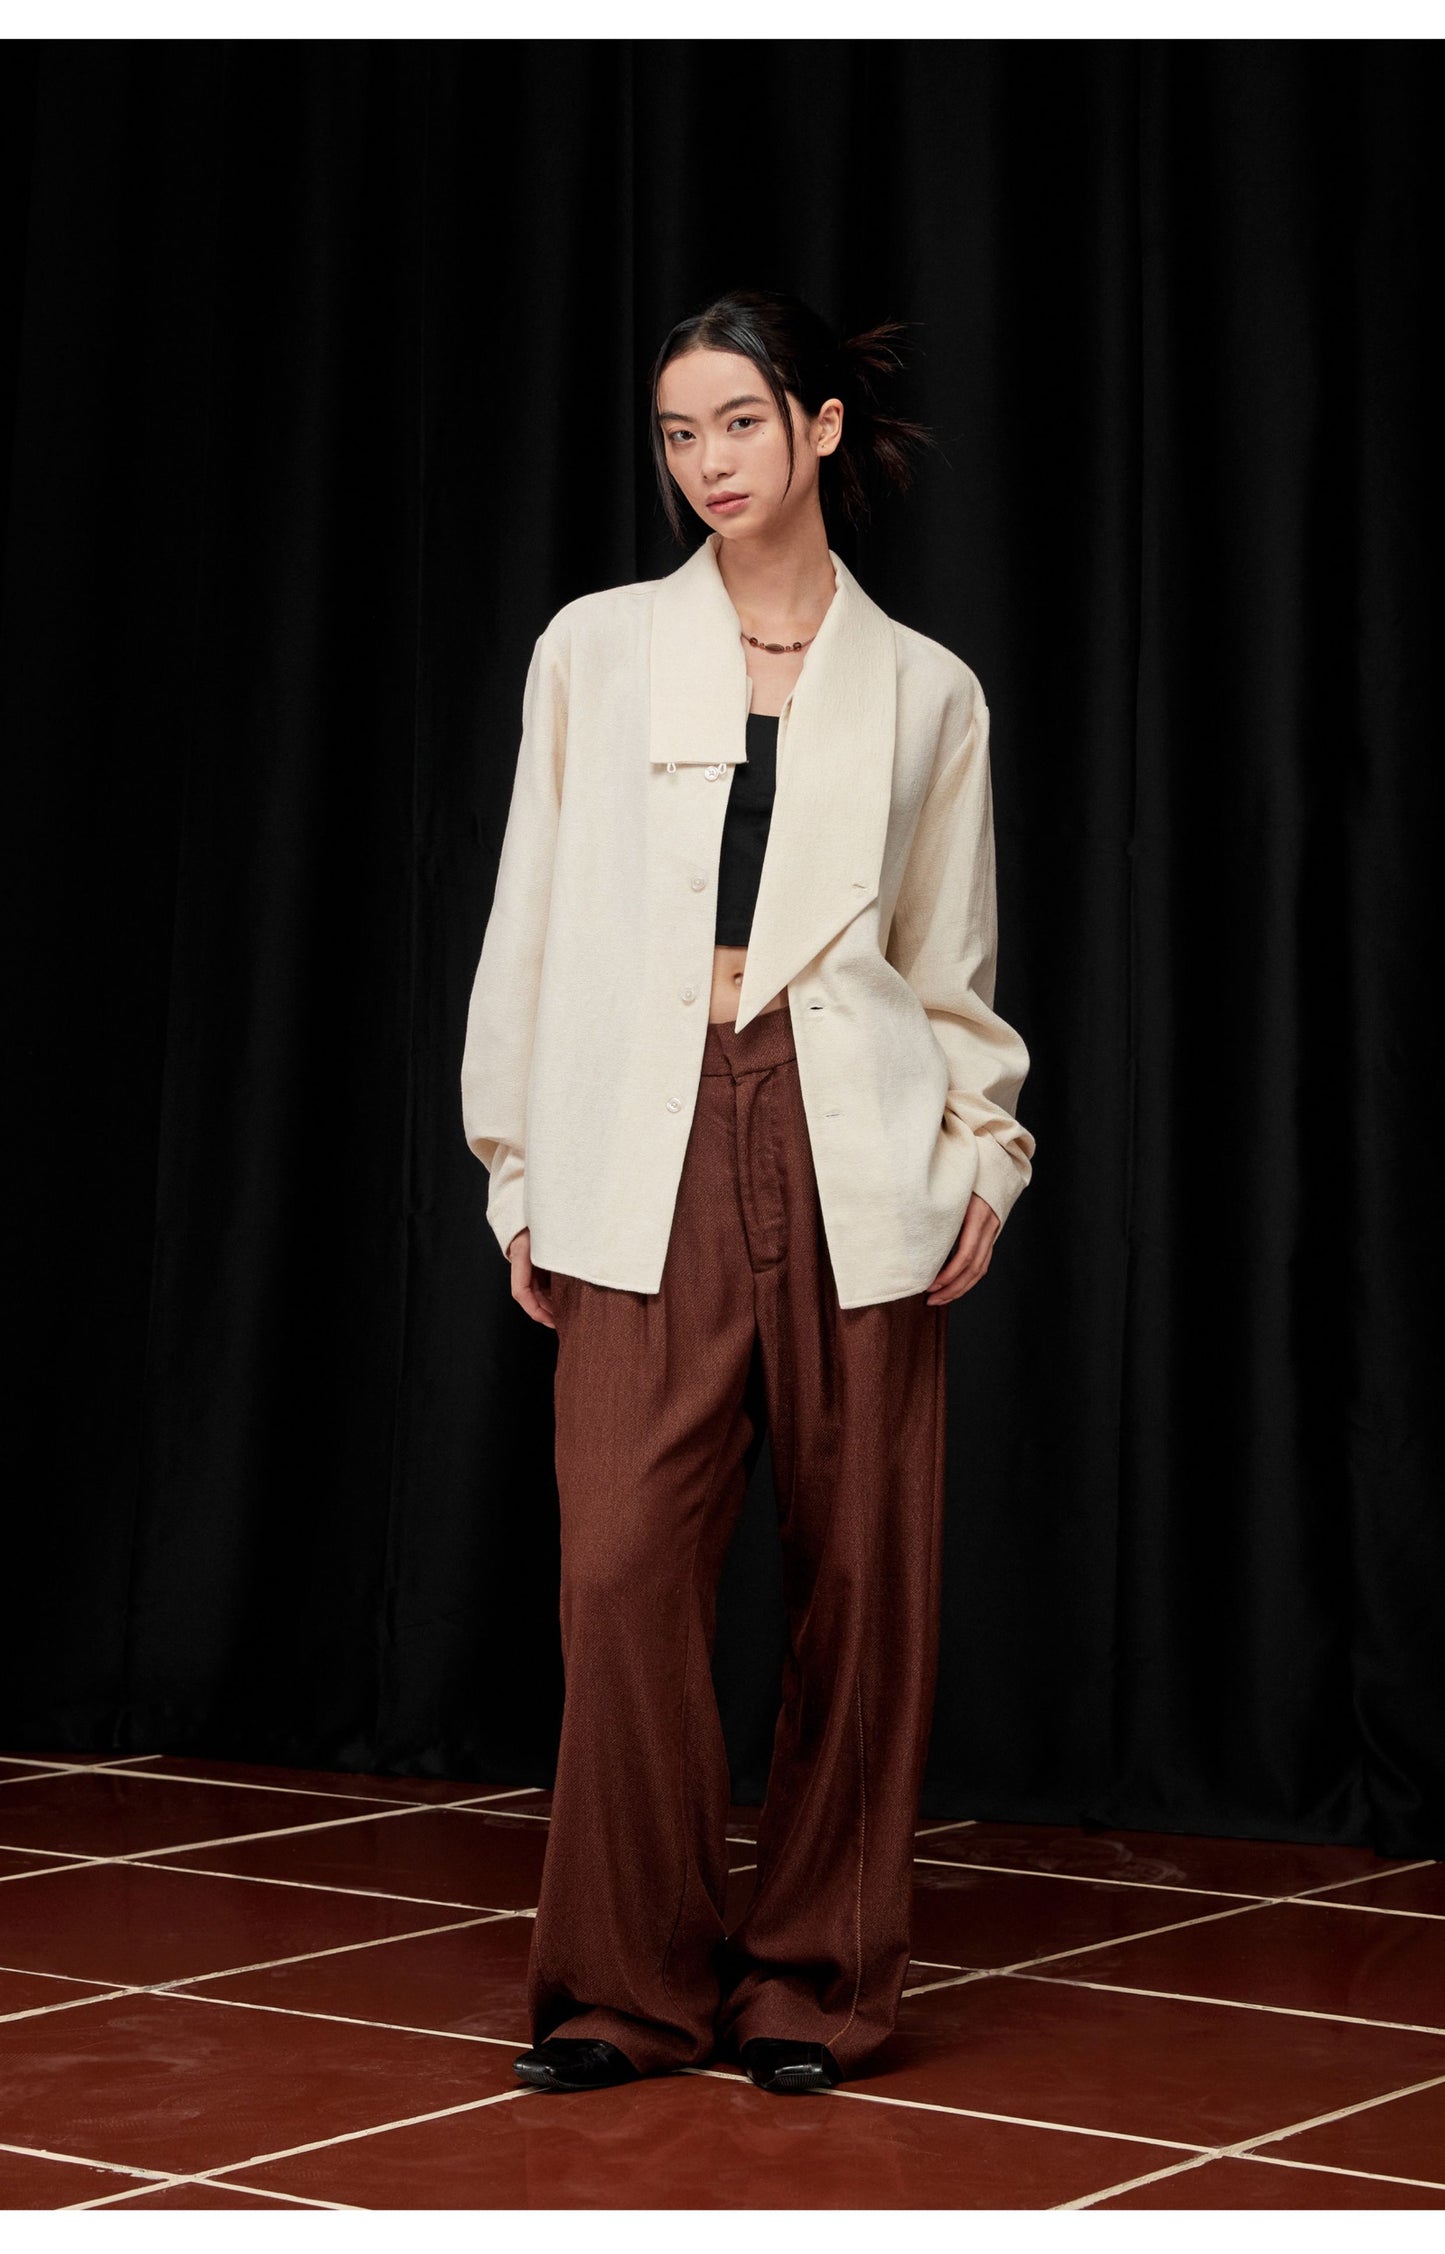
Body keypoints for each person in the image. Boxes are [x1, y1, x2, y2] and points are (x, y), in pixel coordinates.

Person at [460, 286, 1036, 2097]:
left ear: (817, 428)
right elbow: (529, 913)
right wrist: (516, 1163)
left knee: (862, 1576)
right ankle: (624, 1987)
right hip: (639, 1125)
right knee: (622, 1565)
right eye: (675, 432)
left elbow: (950, 964)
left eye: (735, 421)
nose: (704, 461)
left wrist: (984, 1150)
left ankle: (815, 1983)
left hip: (854, 1124)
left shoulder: (927, 687)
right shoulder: (595, 648)